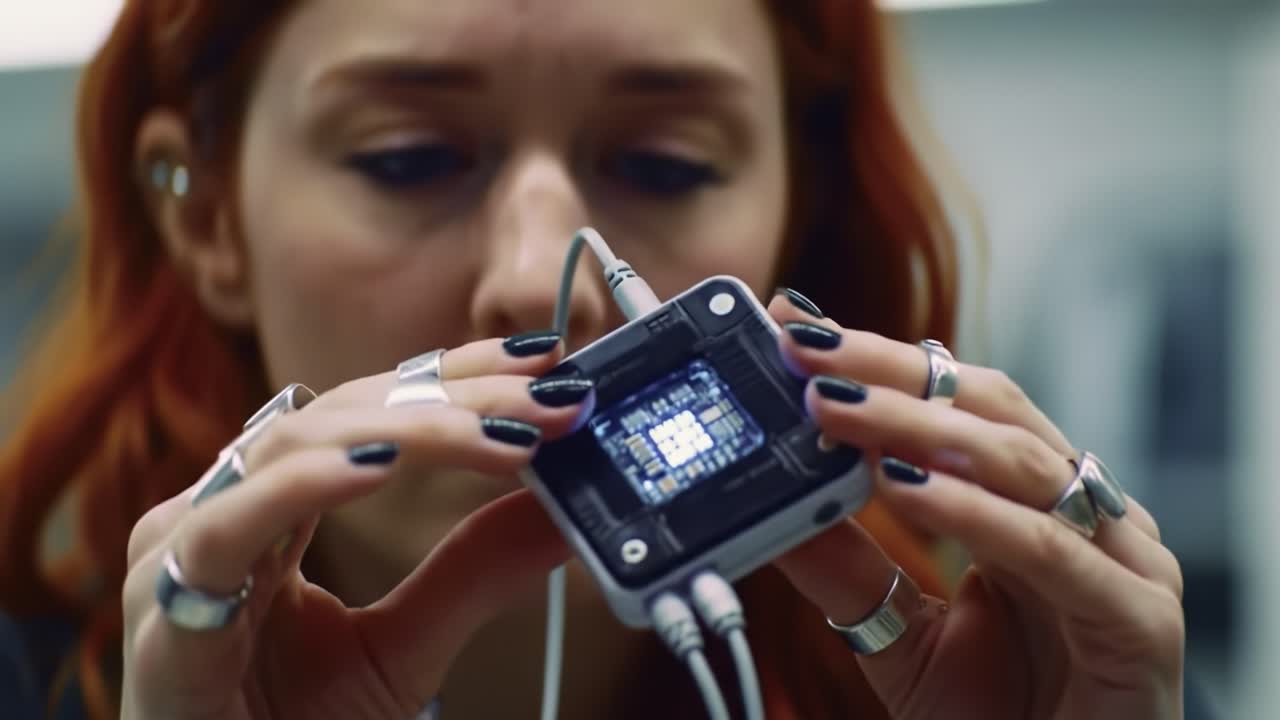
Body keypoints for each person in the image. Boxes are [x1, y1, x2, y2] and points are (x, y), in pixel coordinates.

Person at [0, 0, 1187, 718]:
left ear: (796, 212)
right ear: (206, 217)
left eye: (664, 163)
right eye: (408, 157)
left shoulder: (1040, 680)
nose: (534, 276)